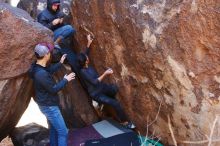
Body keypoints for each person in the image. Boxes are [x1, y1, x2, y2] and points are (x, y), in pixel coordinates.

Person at [78, 35, 135, 129]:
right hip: (96, 94)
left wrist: (89, 42)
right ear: (86, 62)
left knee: (115, 88)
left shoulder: (84, 63)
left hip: (102, 87)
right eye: (86, 58)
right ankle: (125, 122)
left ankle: (104, 104)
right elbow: (95, 82)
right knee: (115, 103)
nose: (87, 57)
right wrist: (105, 73)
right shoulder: (83, 72)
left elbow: (85, 53)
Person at [29, 43, 75, 146]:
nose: (50, 53)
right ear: (46, 55)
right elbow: (53, 89)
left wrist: (60, 63)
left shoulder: (37, 66)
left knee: (54, 129)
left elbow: (48, 71)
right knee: (63, 132)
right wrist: (65, 80)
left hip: (45, 104)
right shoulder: (41, 74)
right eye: (49, 52)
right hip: (49, 107)